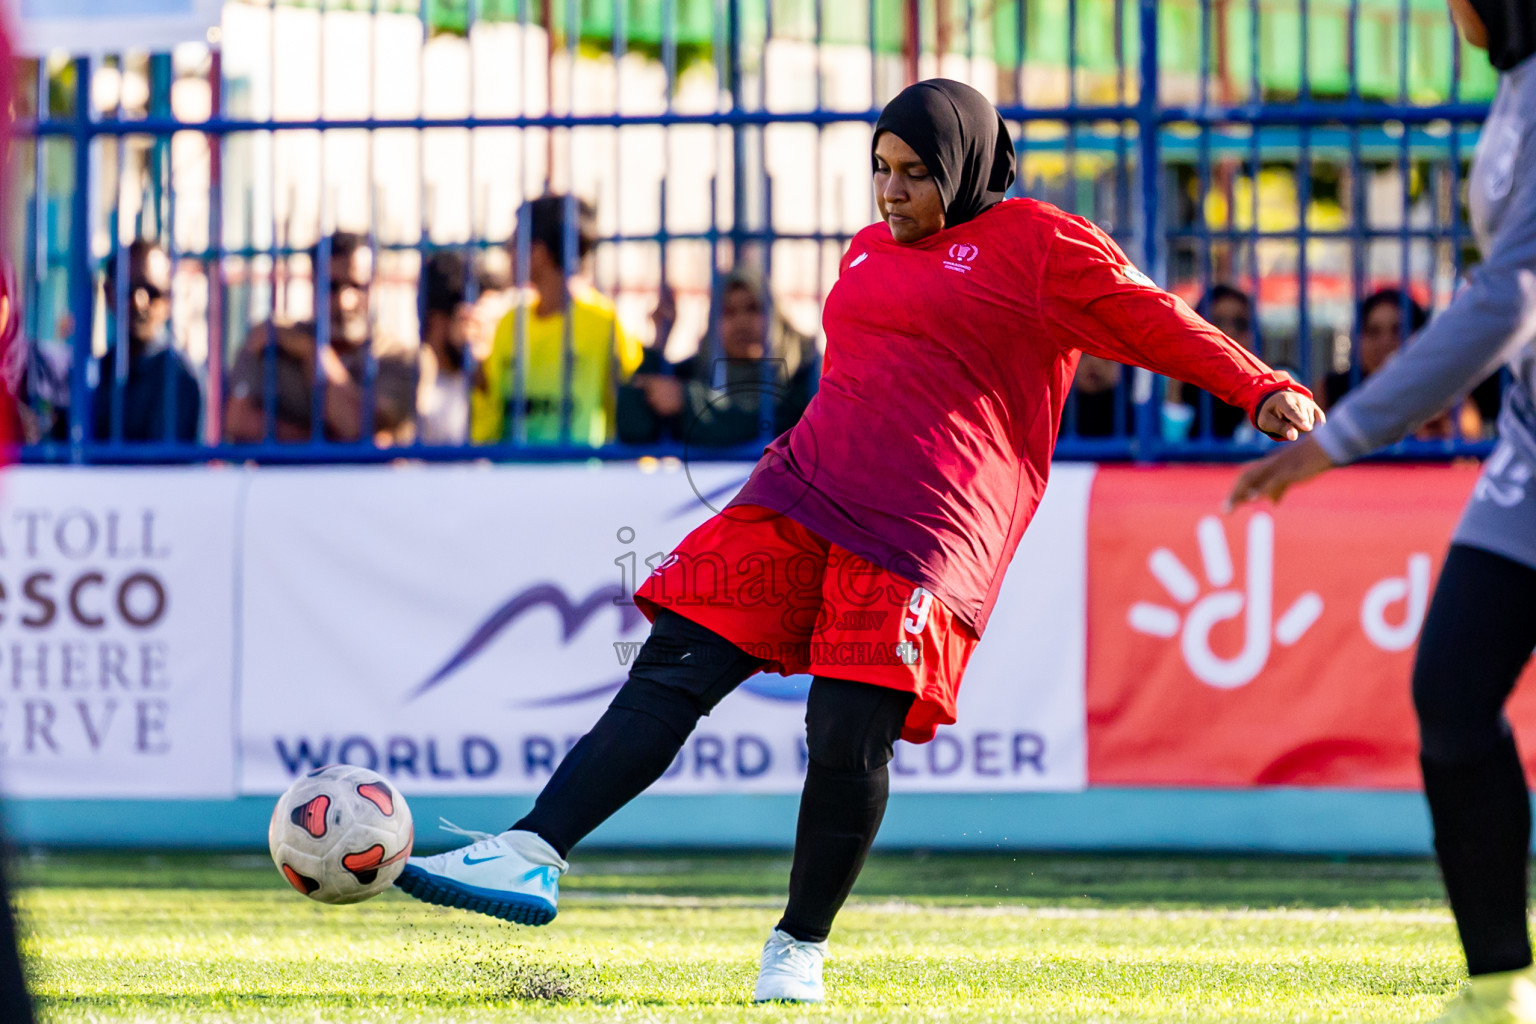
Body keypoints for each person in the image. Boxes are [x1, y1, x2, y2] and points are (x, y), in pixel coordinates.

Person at [398, 78, 1321, 1004]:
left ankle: (798, 946)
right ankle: (530, 850)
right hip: (804, 492)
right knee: (673, 663)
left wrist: (1256, 386)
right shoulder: (869, 249)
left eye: (916, 174)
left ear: (962, 170)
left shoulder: (1040, 243)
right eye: (880, 169)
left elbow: (1150, 316)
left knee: (844, 733)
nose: (891, 192)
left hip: (925, 525)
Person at [1230, 3, 1536, 1021]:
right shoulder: (1516, 85)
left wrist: (1340, 437)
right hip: (1527, 456)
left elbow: (1508, 299)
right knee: (1451, 691)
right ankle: (1498, 983)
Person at [470, 195, 644, 446]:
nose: (507, 251)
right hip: (510, 480)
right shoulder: (509, 323)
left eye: (514, 242)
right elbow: (487, 429)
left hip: (578, 481)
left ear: (539, 253)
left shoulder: (603, 324)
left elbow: (630, 415)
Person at [224, 231, 417, 445]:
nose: (345, 301)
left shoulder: (402, 358)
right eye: (332, 287)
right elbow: (238, 422)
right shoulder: (272, 339)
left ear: (378, 285)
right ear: (314, 285)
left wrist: (311, 353)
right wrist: (336, 446)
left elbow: (355, 426)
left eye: (358, 286)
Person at [617, 269, 820, 446]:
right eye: (728, 312)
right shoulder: (698, 370)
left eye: (753, 308)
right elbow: (633, 427)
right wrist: (658, 343)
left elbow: (776, 423)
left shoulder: (806, 371)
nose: (741, 322)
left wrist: (689, 404)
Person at [1323, 288, 1482, 441]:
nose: (1385, 343)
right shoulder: (1331, 390)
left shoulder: (1445, 393)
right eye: (1373, 331)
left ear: (1419, 337)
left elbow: (1467, 446)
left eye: (1397, 330)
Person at [90, 239, 201, 443]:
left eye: (152, 291)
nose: (139, 302)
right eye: (128, 289)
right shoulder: (96, 373)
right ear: (108, 293)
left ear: (169, 300)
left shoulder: (178, 377)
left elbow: (164, 466)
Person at [1175, 283, 1257, 440]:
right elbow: (1169, 445)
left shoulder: (1276, 382)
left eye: (1240, 323)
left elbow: (1268, 448)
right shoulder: (1181, 383)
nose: (1230, 331)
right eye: (1217, 323)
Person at [415, 251, 474, 445]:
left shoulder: (485, 382)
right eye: (465, 320)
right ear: (438, 322)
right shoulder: (415, 391)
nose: (473, 330)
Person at [1062, 353, 1131, 438]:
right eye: (1083, 355)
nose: (1094, 364)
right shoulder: (1059, 416)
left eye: (1106, 357)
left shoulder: (1132, 418)